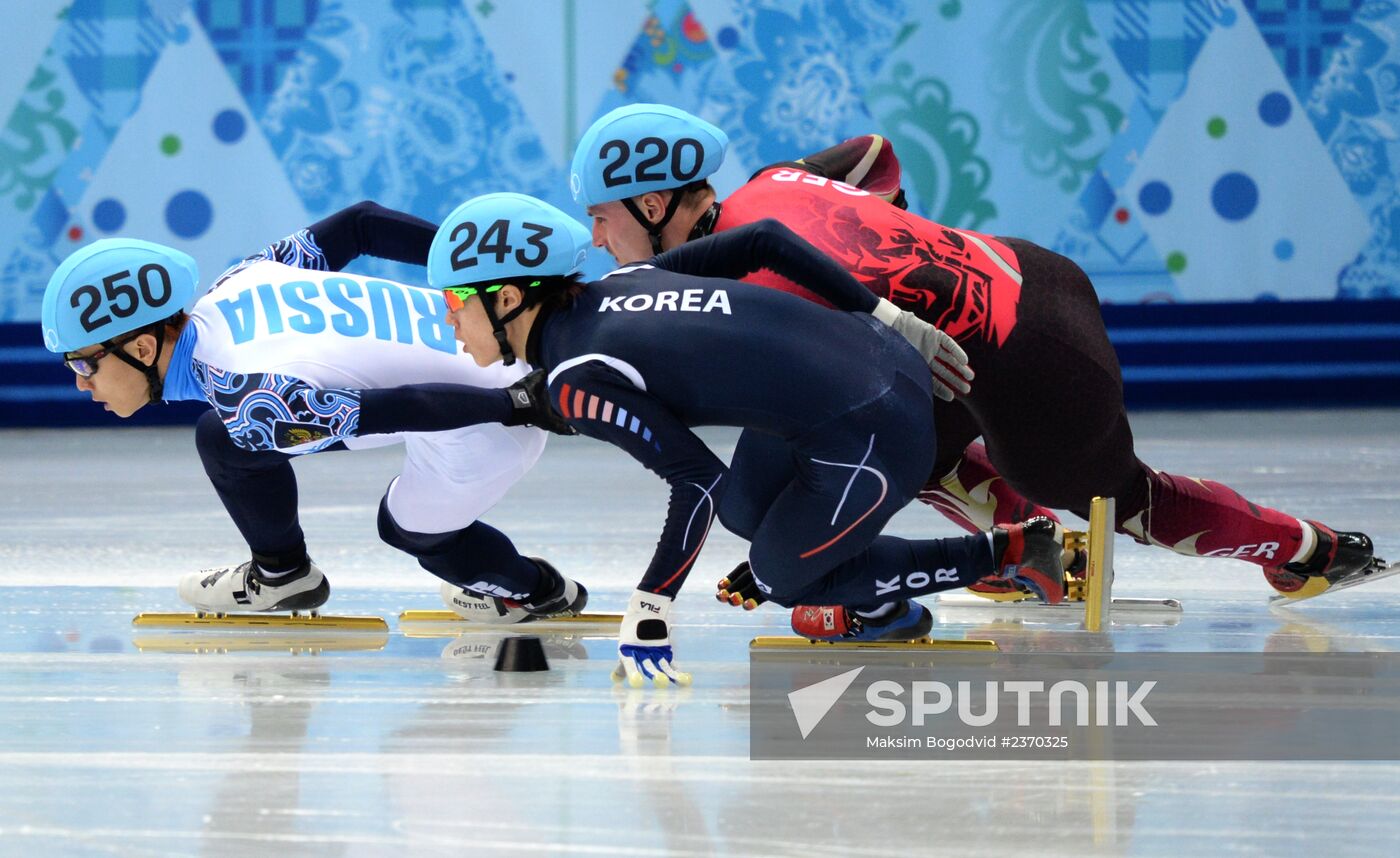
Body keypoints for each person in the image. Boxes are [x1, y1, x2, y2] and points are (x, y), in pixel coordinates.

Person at [567, 103, 1379, 603]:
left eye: (603, 217)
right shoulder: (777, 181)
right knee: (874, 435)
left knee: (1122, 499)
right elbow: (874, 153)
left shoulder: (763, 289)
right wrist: (903, 254)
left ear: (653, 199)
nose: (598, 239)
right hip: (1023, 272)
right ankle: (1027, 550)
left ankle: (1309, 549)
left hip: (1038, 359)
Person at [424, 191, 1068, 687]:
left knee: (784, 576)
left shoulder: (576, 378)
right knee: (746, 514)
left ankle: (1011, 551)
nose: (447, 317)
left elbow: (695, 479)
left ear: (507, 297)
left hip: (874, 425)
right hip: (874, 361)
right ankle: (851, 584)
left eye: (453, 302)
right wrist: (887, 317)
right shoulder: (619, 283)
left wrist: (652, 607)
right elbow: (763, 240)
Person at [41, 202, 583, 619]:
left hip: (488, 423)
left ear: (140, 349)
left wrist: (516, 405)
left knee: (407, 531)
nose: (79, 383)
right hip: (495, 353)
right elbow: (363, 223)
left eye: (83, 364)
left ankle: (535, 589)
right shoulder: (240, 278)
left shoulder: (247, 396)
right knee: (224, 438)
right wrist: (470, 272)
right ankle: (283, 574)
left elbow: (403, 407)